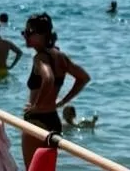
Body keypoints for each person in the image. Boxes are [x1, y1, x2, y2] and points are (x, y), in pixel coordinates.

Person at [20, 13, 90, 162]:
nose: (25, 36)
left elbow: (49, 78)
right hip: (53, 120)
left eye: (29, 33)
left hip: (36, 121)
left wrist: (36, 106)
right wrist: (62, 102)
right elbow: (83, 78)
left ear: (43, 35)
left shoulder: (40, 58)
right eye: (24, 32)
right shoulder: (60, 56)